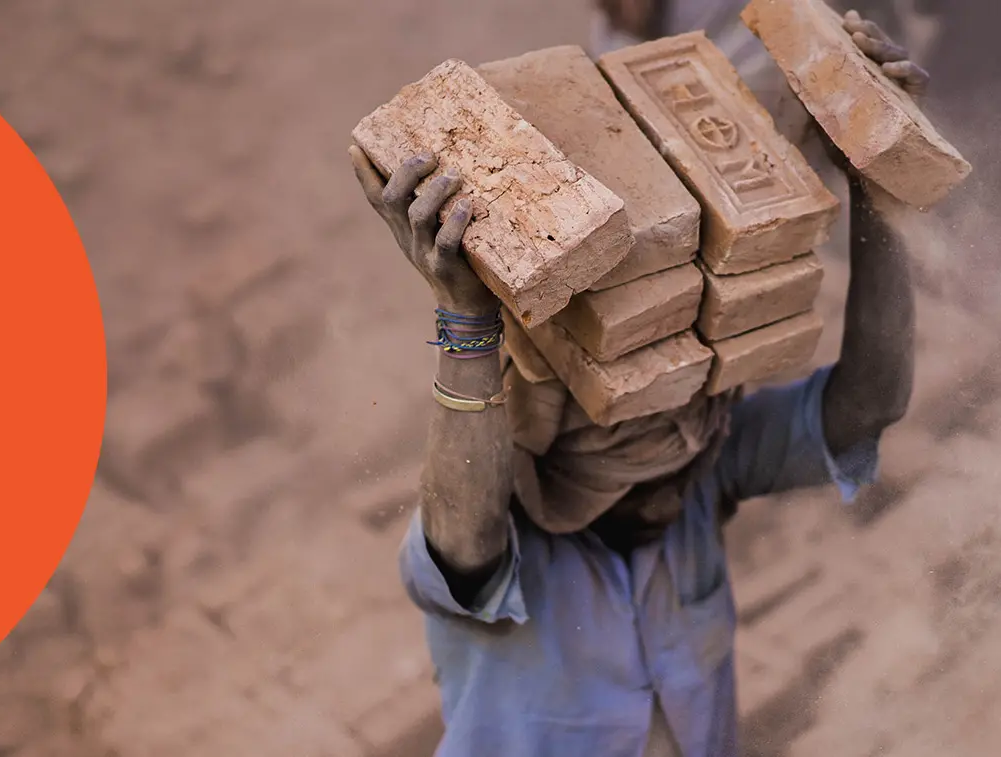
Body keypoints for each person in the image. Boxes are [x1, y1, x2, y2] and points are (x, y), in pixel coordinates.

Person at [342, 14, 927, 757]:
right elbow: (466, 535)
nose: (676, 476)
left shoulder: (701, 470)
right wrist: (465, 318)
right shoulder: (503, 545)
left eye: (689, 437)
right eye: (630, 437)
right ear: (552, 440)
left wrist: (878, 195)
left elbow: (866, 406)